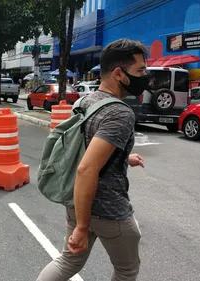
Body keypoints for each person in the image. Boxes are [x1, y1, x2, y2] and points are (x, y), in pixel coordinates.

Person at [36, 38, 146, 281]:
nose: (146, 76)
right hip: (109, 209)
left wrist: (124, 157)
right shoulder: (119, 112)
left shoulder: (86, 101)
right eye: (140, 70)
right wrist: (83, 227)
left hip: (77, 202)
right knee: (127, 270)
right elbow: (86, 169)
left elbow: (87, 146)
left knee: (68, 261)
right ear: (119, 73)